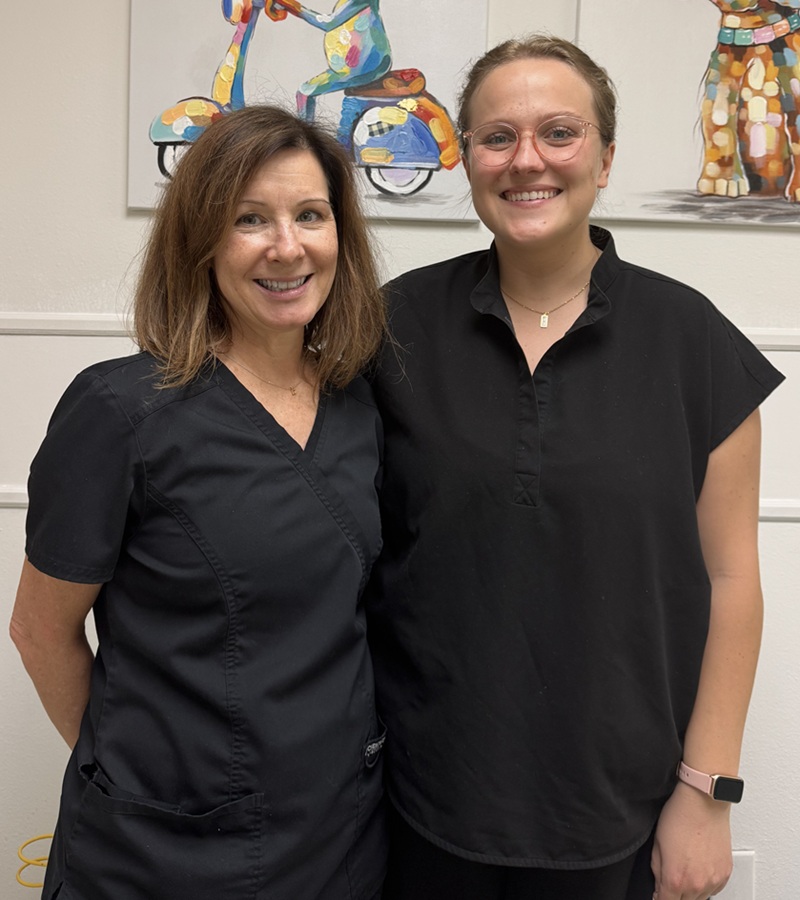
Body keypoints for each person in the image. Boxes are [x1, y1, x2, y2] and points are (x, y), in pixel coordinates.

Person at [366, 35, 784, 900]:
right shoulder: (390, 327)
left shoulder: (692, 341)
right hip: (412, 799)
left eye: (559, 132)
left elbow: (732, 578)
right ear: (467, 157)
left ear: (604, 155)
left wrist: (708, 793)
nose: (528, 161)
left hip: (619, 810)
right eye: (496, 137)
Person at [10, 104, 388, 900]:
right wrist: (135, 781)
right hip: (159, 856)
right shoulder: (121, 412)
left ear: (340, 237)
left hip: (339, 840)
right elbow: (41, 629)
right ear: (202, 241)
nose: (287, 247)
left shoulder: (360, 407)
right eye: (250, 219)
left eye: (310, 216)